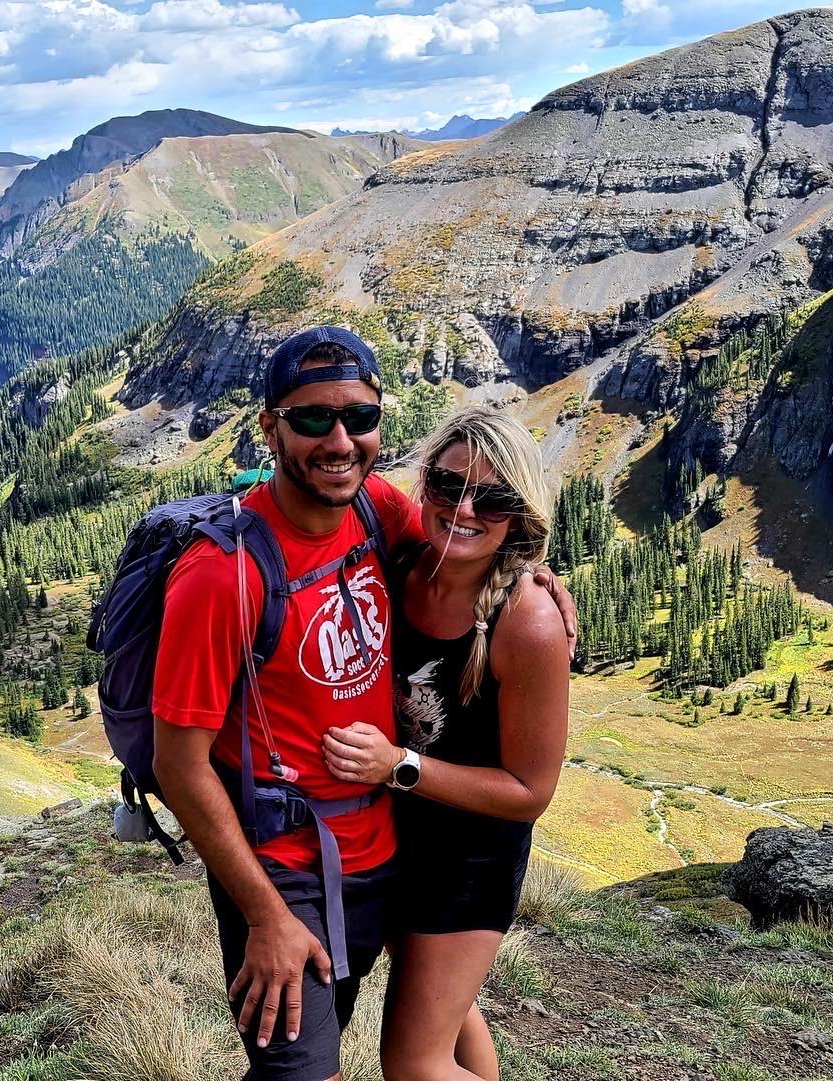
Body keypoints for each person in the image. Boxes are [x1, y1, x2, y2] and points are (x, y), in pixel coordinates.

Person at [152, 327, 574, 1081]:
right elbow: (177, 764)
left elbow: (474, 550)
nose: (339, 439)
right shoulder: (222, 575)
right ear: (270, 426)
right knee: (306, 1071)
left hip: (389, 849)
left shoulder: (376, 510)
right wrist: (265, 915)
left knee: (416, 1043)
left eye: (359, 417)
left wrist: (536, 580)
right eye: (312, 417)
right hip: (290, 869)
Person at [320, 403, 570, 1081]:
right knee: (450, 1019)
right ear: (423, 481)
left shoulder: (529, 623)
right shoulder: (402, 560)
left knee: (412, 1061)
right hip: (397, 838)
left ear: (519, 513)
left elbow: (530, 791)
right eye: (447, 484)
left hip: (468, 861)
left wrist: (397, 765)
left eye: (490, 498)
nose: (463, 508)